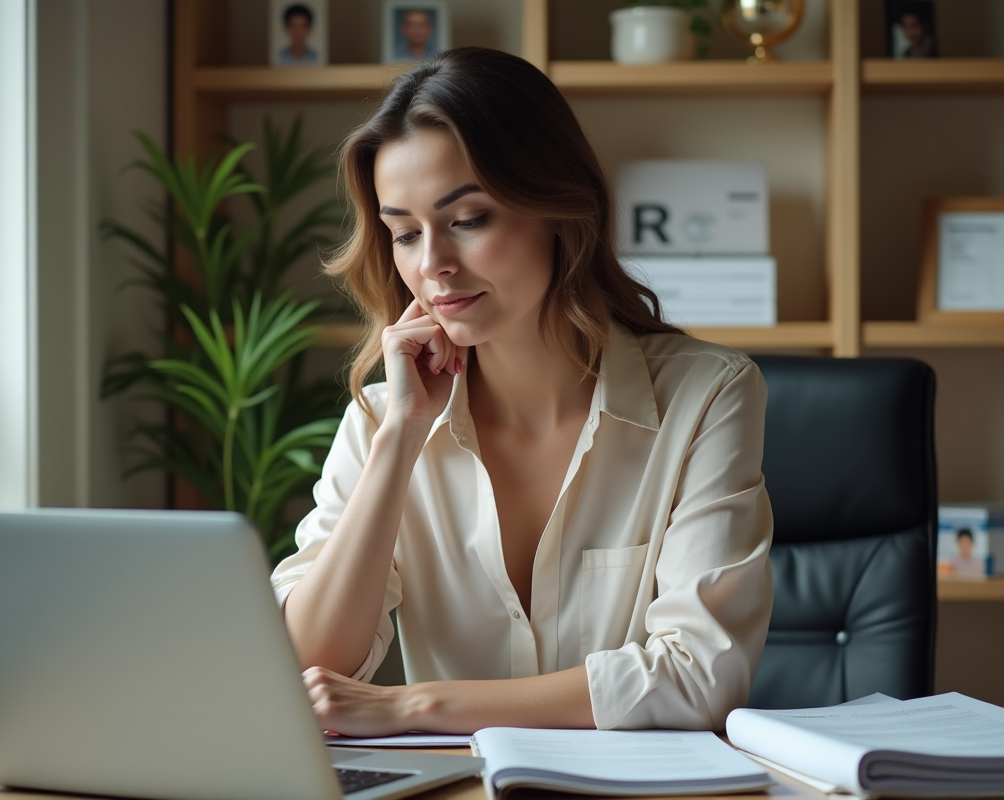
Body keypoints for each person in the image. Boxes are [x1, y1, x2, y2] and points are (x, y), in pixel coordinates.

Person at [270, 47, 774, 736]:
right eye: (405, 234)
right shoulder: (387, 417)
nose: (434, 265)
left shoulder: (708, 396)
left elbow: (700, 676)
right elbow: (305, 666)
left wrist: (413, 706)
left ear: (557, 208)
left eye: (469, 219)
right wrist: (398, 444)